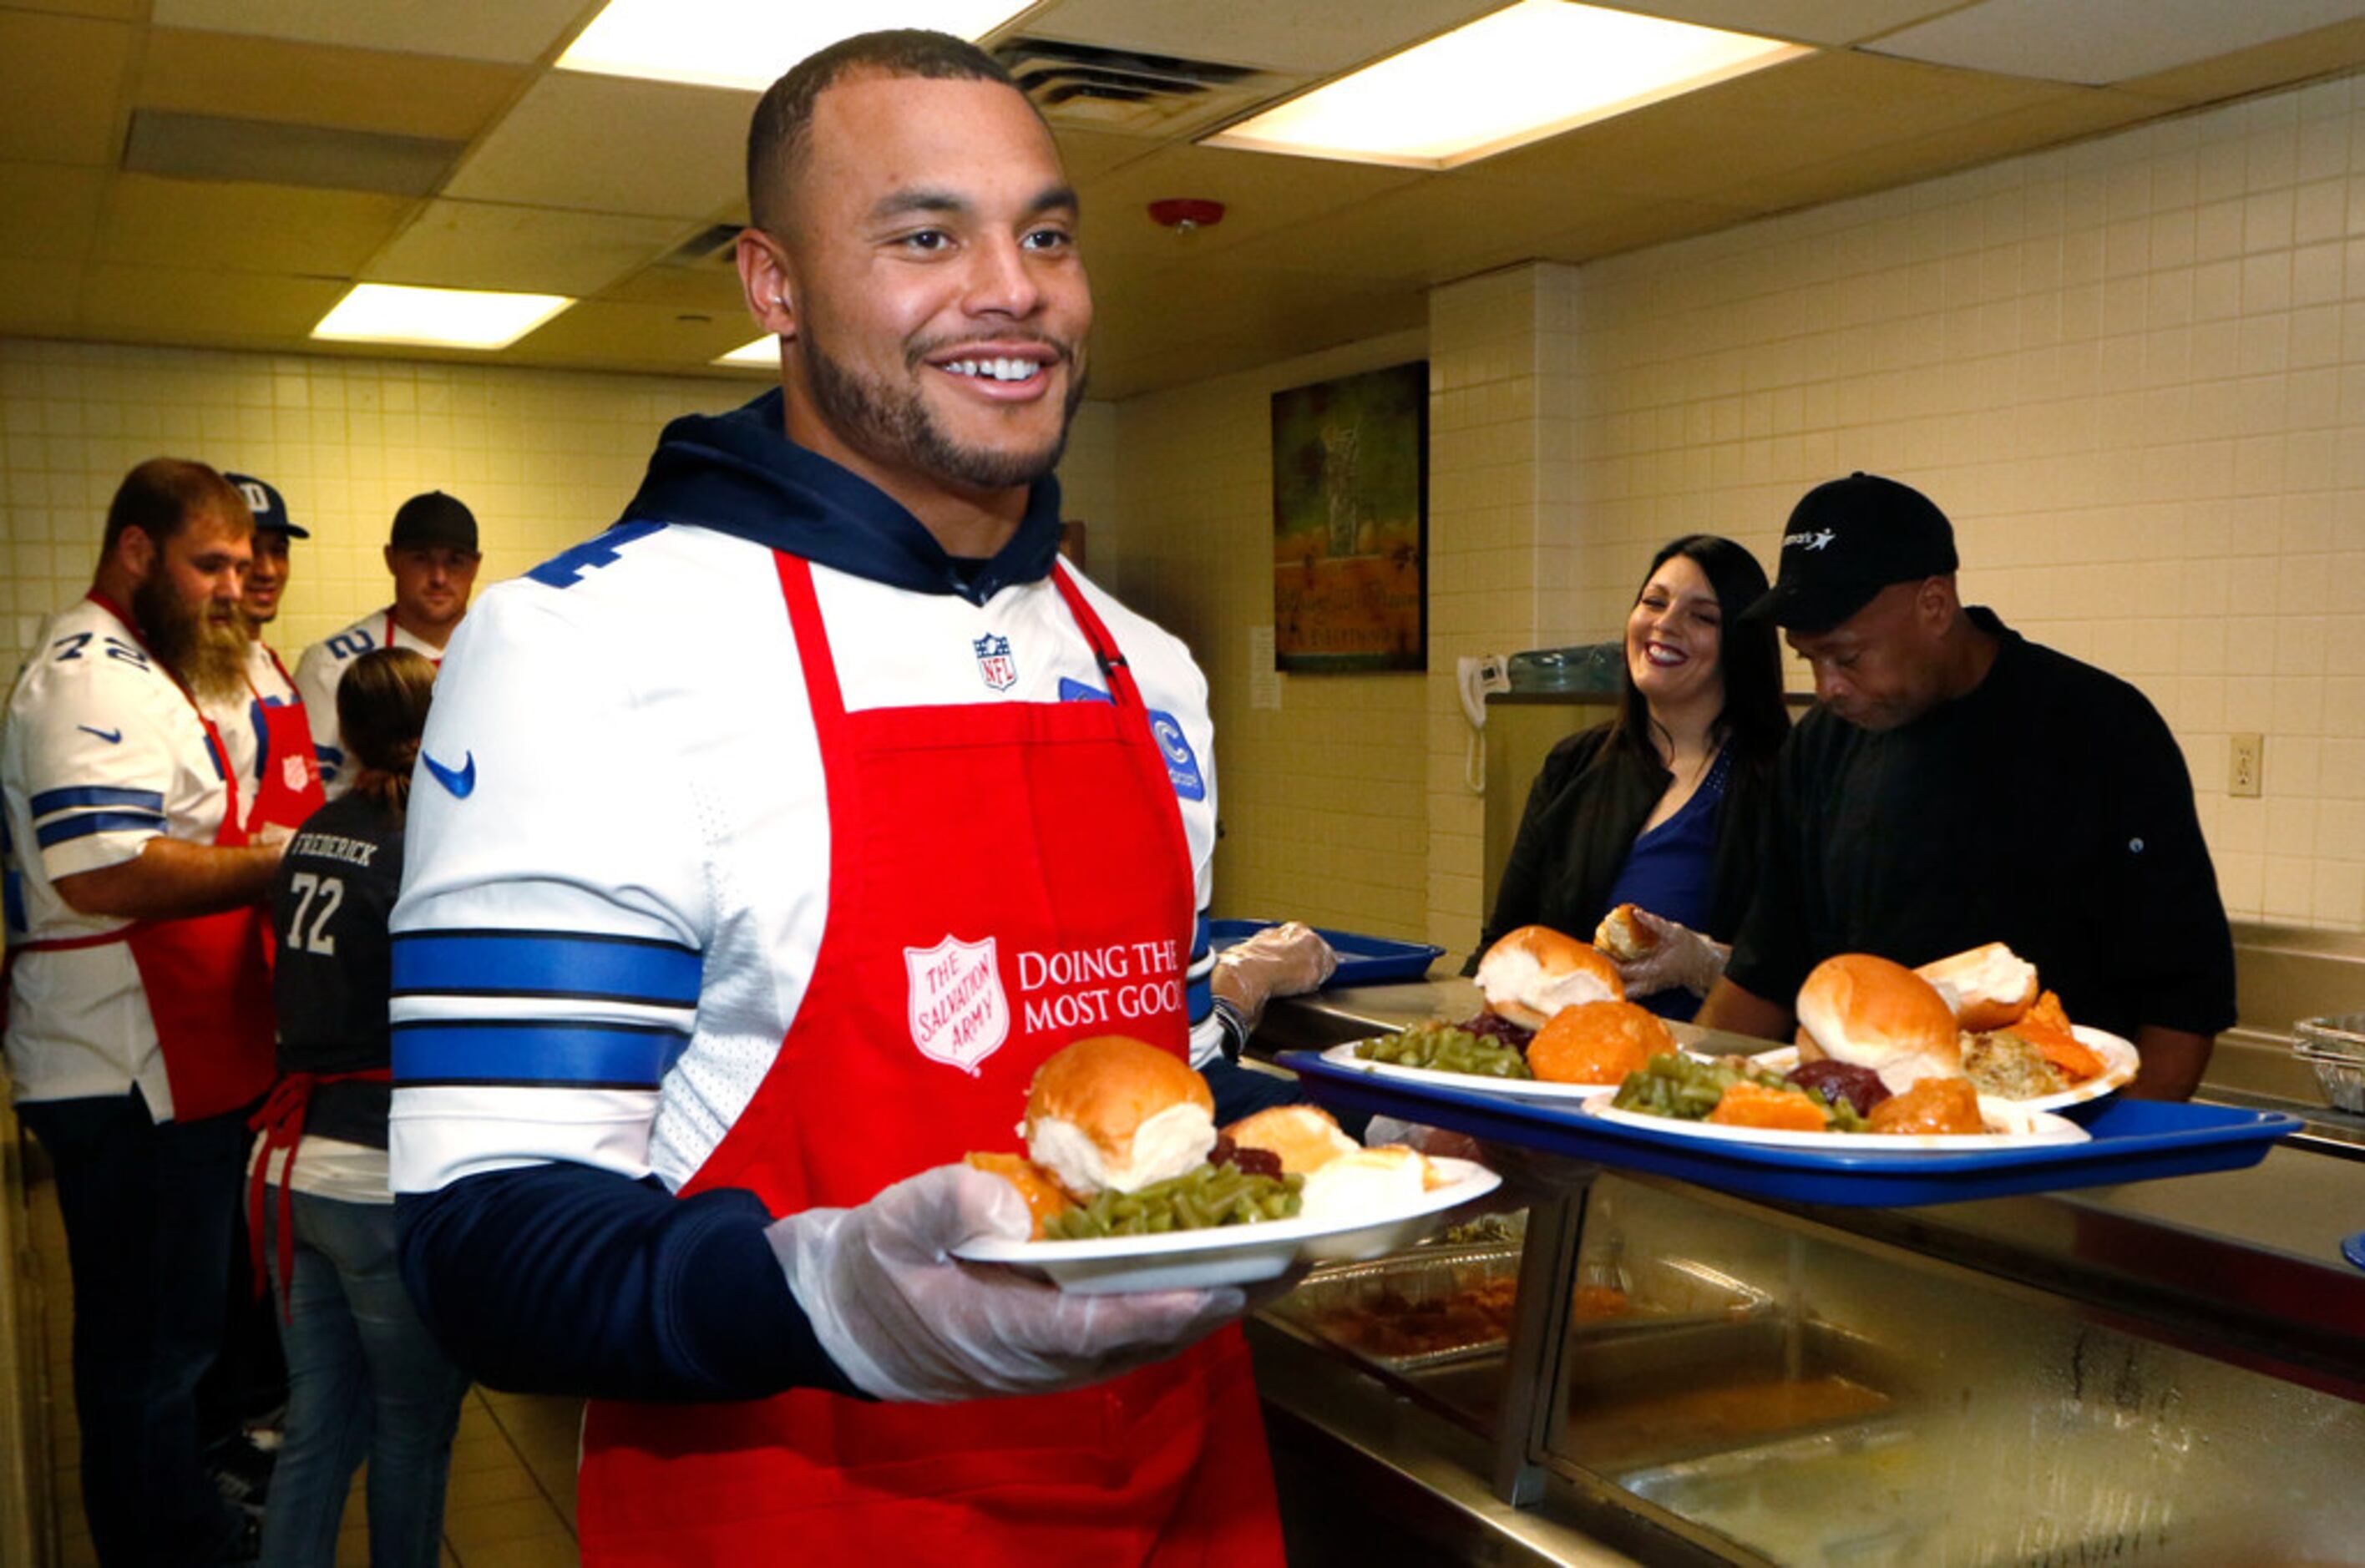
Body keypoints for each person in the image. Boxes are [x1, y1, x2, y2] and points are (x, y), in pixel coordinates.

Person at [390, 31, 1293, 1564]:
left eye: (1048, 233)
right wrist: (835, 1296)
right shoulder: (588, 648)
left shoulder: (1148, 666)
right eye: (926, 234)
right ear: (774, 286)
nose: (1013, 285)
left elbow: (1175, 1101)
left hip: (1184, 1487)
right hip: (803, 1503)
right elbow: (485, 1238)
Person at [1694, 472, 2236, 1098]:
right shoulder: (1819, 749)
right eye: (1807, 659)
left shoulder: (2097, 728)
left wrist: (2113, 1169)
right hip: (1868, 1147)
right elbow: (1769, 971)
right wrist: (1687, 1100)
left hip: (2050, 1146)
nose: (1826, 689)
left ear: (1934, 605)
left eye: (1846, 657)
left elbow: (2183, 1000)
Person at [1, 457, 285, 1565]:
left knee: (170, 1339)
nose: (233, 583)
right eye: (207, 562)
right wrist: (273, 862)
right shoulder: (94, 676)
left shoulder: (145, 667)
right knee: (149, 1353)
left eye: (241, 563)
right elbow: (103, 868)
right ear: (135, 552)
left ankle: (177, 1521)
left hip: (164, 1062)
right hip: (122, 1068)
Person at [249, 647, 468, 1568]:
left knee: (319, 1427)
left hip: (285, 1173)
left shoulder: (311, 833)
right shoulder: (427, 850)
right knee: (411, 1432)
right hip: (380, 1176)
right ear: (432, 738)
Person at [1471, 535, 1790, 1018]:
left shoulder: (1780, 779)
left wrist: (1703, 962)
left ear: (1740, 644)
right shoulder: (1574, 765)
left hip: (1696, 1072)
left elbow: (1800, 969)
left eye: (1702, 616)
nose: (1665, 625)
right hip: (1560, 1057)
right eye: (1653, 603)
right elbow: (1505, 943)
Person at [293, 490, 480, 795]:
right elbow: (307, 794)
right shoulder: (333, 663)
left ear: (475, 565)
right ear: (391, 559)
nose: (439, 577)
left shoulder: (500, 657)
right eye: (421, 559)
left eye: (455, 561)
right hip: (369, 836)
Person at [216, 473, 327, 841]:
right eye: (249, 551)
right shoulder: (191, 677)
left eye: (278, 551)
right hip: (236, 892)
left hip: (289, 888)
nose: (266, 570)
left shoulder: (270, 664)